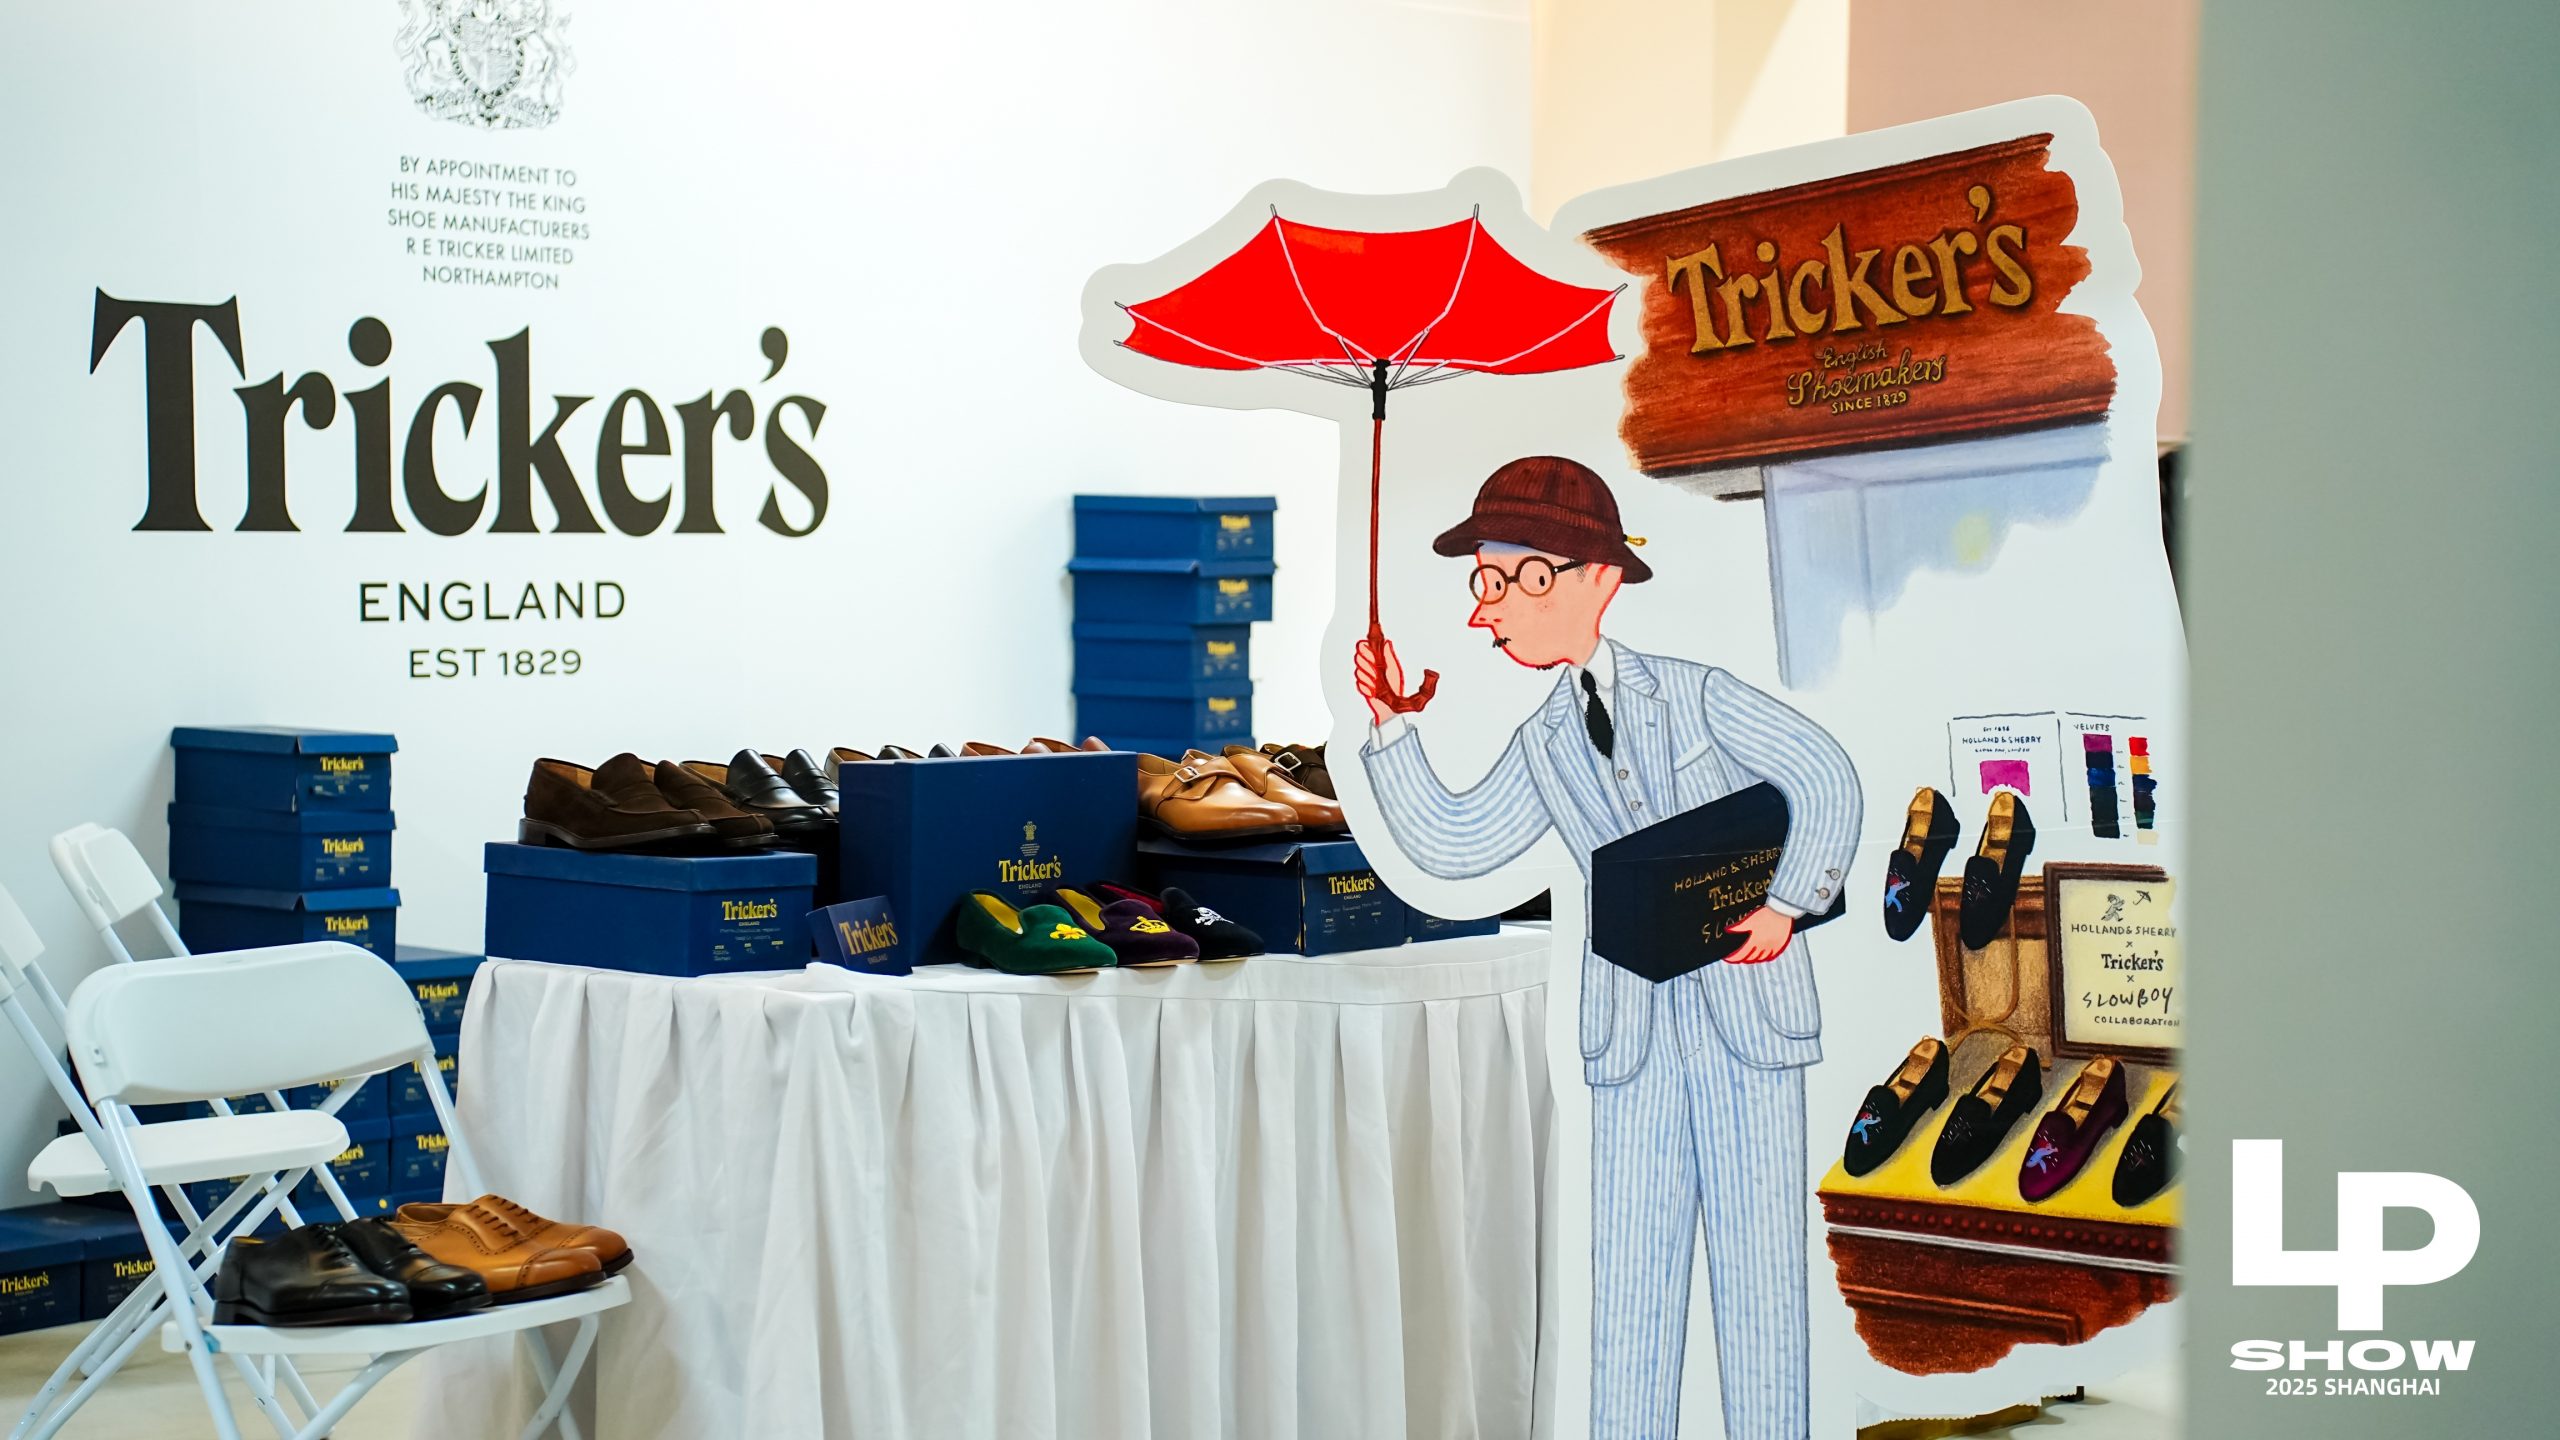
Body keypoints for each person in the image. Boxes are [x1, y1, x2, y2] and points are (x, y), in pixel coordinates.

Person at [1353, 455, 1859, 1440]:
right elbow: (1456, 842)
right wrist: (1387, 729)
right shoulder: (1545, 739)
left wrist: (1789, 905)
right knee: (1628, 1290)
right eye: (1482, 583)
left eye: (1516, 579)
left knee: (1762, 1281)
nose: (1487, 610)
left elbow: (1824, 775)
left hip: (1748, 1020)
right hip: (1629, 1035)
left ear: (1598, 577)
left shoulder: (1698, 695)